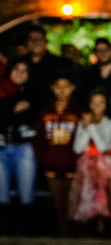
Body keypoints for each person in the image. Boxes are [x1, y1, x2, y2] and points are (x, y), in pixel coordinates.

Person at [69, 90, 111, 232]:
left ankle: (103, 232)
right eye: (94, 102)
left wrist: (91, 126)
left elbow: (103, 146)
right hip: (86, 166)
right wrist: (85, 127)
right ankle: (87, 233)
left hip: (104, 165)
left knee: (102, 200)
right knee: (87, 199)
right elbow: (77, 148)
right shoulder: (82, 123)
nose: (97, 106)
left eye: (101, 103)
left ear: (105, 105)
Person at [33, 75, 82, 236]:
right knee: (58, 204)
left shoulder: (78, 111)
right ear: (53, 89)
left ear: (72, 88)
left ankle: (77, 236)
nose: (62, 91)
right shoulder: (45, 111)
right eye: (58, 87)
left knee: (74, 203)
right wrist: (44, 158)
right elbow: (37, 138)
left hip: (73, 165)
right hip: (51, 165)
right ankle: (64, 236)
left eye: (66, 86)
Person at [0, 60, 39, 232]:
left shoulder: (33, 93)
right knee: (1, 195)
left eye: (25, 71)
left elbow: (31, 117)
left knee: (26, 194)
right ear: (10, 71)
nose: (20, 73)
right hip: (1, 149)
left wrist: (6, 111)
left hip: (23, 148)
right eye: (17, 69)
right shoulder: (2, 89)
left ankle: (26, 234)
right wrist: (11, 109)